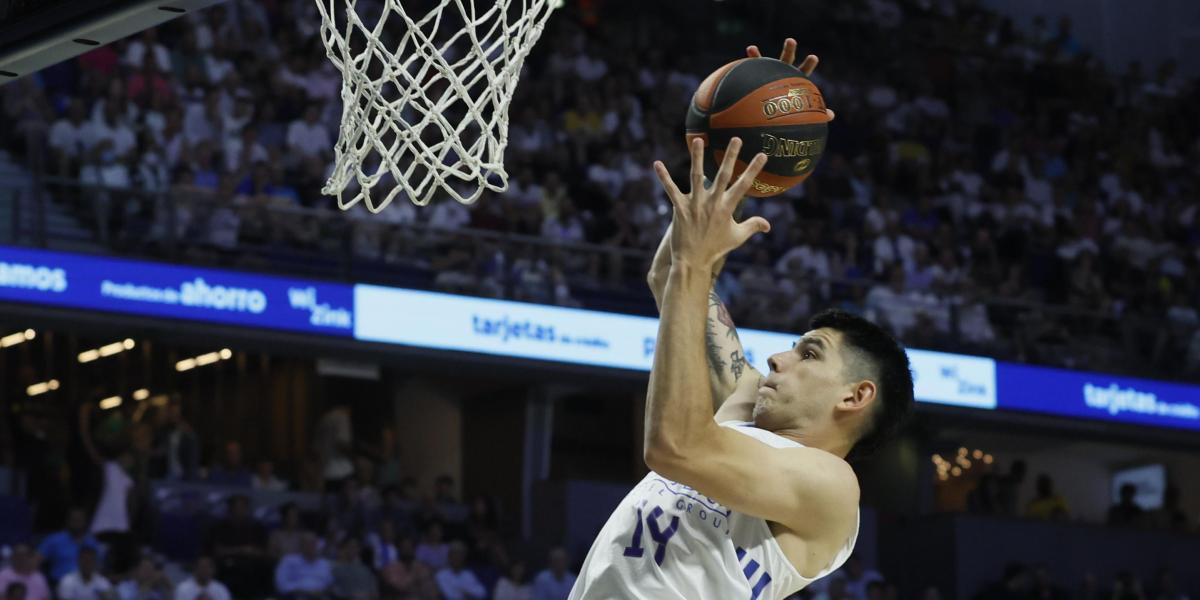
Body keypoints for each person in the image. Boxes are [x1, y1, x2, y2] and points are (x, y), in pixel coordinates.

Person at [569, 41, 914, 600]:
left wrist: (696, 263)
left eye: (809, 353)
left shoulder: (830, 487)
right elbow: (669, 278)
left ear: (855, 397)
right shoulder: (745, 408)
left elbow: (675, 447)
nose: (777, 358)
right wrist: (747, 155)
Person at [36, 508, 102, 584]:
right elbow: (36, 561)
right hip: (58, 583)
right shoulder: (54, 540)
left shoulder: (92, 542)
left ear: (85, 522)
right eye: (73, 520)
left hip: (86, 585)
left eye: (79, 520)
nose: (76, 523)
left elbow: (98, 567)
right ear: (67, 521)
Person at [274, 533, 333, 599]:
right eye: (308, 544)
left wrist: (322, 592)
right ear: (301, 546)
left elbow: (329, 584)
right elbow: (281, 585)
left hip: (321, 596)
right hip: (297, 596)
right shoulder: (288, 560)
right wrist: (304, 591)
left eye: (313, 544)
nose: (311, 547)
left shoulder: (324, 563)